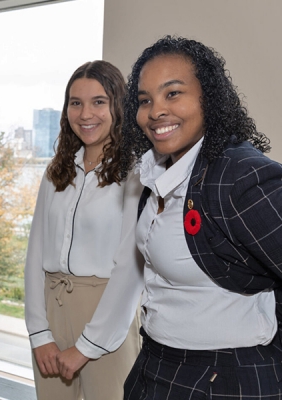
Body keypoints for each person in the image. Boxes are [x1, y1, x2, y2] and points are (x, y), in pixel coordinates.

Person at [120, 36, 282, 399]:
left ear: (208, 97)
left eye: (173, 93)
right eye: (145, 100)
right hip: (156, 364)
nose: (156, 110)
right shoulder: (158, 172)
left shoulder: (240, 176)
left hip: (222, 379)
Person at [24, 60, 143, 400]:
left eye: (98, 102)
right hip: (52, 309)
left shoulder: (135, 173)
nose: (85, 113)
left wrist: (89, 345)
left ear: (118, 105)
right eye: (76, 102)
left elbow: (130, 272)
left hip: (108, 316)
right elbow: (35, 255)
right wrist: (39, 333)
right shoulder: (57, 170)